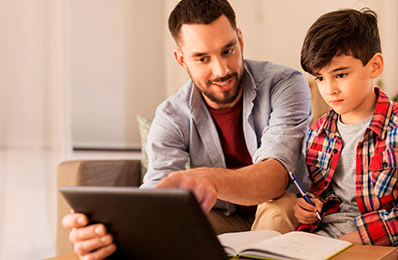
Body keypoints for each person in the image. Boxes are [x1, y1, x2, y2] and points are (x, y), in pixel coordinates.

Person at [62, 0, 312, 259]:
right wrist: (108, 230)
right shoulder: (171, 116)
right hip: (222, 217)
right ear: (182, 60)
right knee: (152, 231)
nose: (221, 70)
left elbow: (275, 178)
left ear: (240, 40)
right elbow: (157, 190)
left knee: (277, 210)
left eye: (228, 51)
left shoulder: (284, 84)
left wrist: (209, 180)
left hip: (282, 206)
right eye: (202, 58)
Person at [293, 8, 398, 259]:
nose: (329, 89)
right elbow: (319, 192)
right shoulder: (318, 131)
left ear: (374, 66)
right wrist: (308, 206)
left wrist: (354, 239)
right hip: (328, 235)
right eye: (320, 78)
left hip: (394, 238)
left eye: (340, 74)